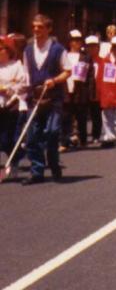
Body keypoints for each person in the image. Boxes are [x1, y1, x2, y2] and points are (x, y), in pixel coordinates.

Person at [21, 14, 71, 185]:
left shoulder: (58, 49)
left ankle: (54, 164)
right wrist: (25, 91)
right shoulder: (28, 50)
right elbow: (27, 73)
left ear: (49, 29)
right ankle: (37, 171)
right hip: (34, 99)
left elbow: (67, 71)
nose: (36, 30)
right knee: (32, 136)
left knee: (52, 132)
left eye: (40, 27)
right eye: (34, 26)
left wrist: (54, 80)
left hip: (53, 98)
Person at [0, 38, 26, 179]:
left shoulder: (16, 65)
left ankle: (15, 160)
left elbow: (22, 85)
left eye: (1, 49)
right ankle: (19, 154)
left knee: (8, 138)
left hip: (12, 106)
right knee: (3, 140)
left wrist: (8, 89)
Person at [60, 30, 90, 151]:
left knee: (81, 117)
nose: (77, 43)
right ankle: (64, 142)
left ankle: (83, 140)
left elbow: (90, 76)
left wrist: (89, 92)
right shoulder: (64, 55)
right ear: (69, 42)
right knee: (65, 118)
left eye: (79, 40)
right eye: (74, 40)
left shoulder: (85, 57)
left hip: (80, 90)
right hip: (66, 88)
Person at [85, 36, 103, 143]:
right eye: (89, 46)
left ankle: (96, 134)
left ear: (98, 48)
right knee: (82, 114)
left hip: (97, 91)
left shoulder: (103, 61)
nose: (92, 49)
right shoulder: (83, 60)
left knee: (96, 114)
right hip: (85, 91)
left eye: (94, 46)